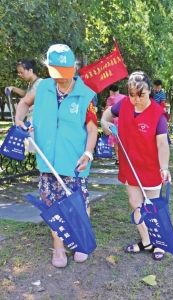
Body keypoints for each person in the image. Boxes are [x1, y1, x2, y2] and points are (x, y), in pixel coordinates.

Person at [15, 44, 98, 267]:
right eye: (56, 72)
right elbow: (23, 103)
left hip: (75, 163)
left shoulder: (86, 95)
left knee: (78, 203)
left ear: (74, 68)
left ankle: (79, 241)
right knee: (53, 205)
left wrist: (88, 154)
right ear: (49, 68)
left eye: (66, 72)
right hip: (48, 161)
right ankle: (58, 246)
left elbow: (92, 129)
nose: (61, 78)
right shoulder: (42, 88)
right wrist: (19, 120)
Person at [101, 71, 171, 261]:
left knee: (152, 207)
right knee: (134, 203)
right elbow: (107, 115)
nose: (136, 99)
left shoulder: (158, 115)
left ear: (150, 92)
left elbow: (163, 144)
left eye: (141, 95)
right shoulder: (123, 104)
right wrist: (104, 123)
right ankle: (146, 241)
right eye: (132, 95)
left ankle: (159, 241)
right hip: (129, 165)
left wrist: (164, 167)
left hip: (150, 167)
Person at [5, 60, 43, 182]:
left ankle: (45, 176)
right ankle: (43, 174)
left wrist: (30, 107)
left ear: (30, 70)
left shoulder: (40, 83)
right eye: (19, 73)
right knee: (38, 148)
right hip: (31, 118)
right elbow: (27, 96)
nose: (21, 75)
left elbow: (40, 100)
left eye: (22, 72)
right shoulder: (32, 84)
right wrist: (14, 88)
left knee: (40, 147)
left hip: (38, 118)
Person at [104, 84, 125, 165]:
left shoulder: (110, 98)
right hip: (124, 120)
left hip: (115, 121)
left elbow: (107, 110)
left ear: (111, 91)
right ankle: (124, 158)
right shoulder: (125, 97)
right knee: (123, 140)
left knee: (116, 140)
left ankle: (118, 159)